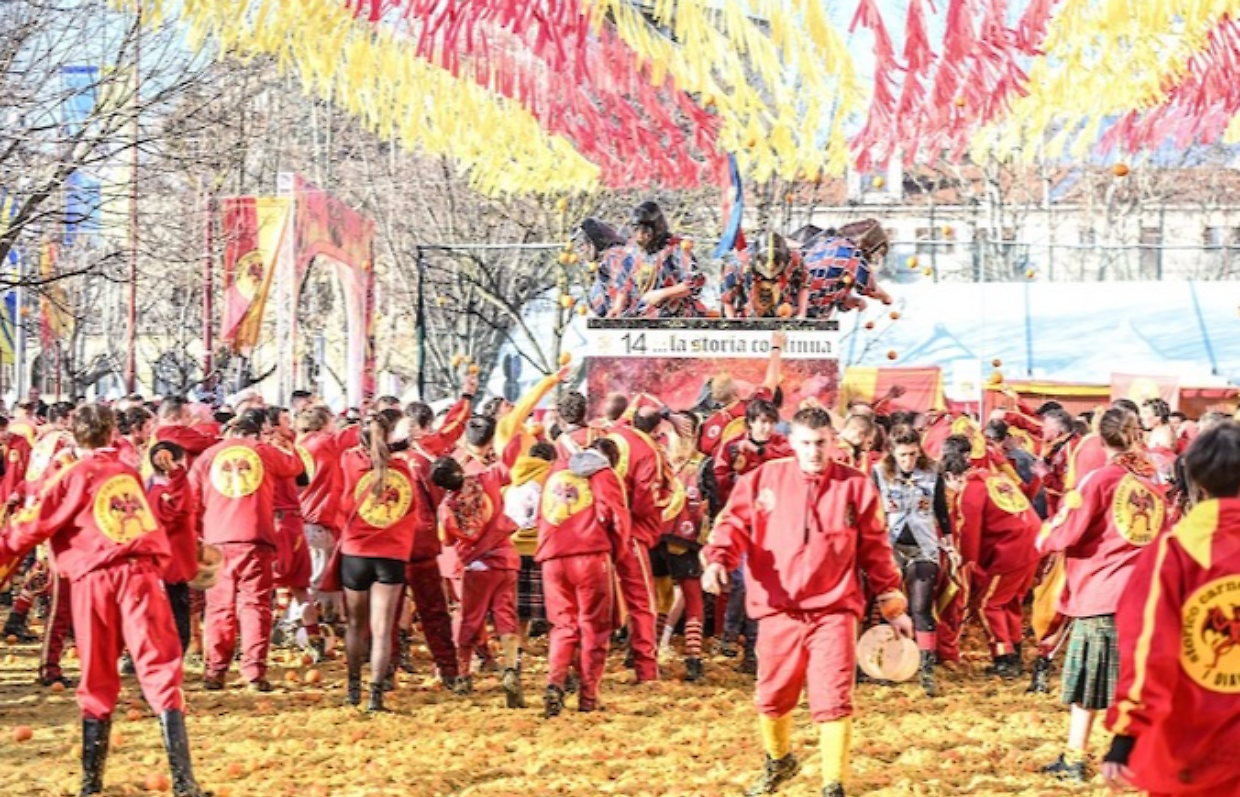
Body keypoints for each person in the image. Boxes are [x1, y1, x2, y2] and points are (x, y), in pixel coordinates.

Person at [702, 406, 913, 797]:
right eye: (806, 444)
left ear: (834, 442)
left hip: (834, 609)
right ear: (791, 443)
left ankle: (834, 785)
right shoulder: (763, 478)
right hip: (777, 608)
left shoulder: (855, 486)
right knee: (772, 695)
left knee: (832, 696)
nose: (814, 452)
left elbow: (876, 549)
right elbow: (732, 524)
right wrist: (718, 560)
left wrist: (892, 603)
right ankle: (778, 760)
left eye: (821, 443)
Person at [0, 404, 208, 797]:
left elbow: (32, 525)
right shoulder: (127, 471)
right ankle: (185, 782)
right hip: (141, 576)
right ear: (112, 431)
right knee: (160, 667)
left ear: (75, 434)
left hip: (95, 578)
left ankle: (91, 783)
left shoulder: (73, 475)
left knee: (97, 672)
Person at [1103, 421, 1240, 797]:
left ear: (1196, 477)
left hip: (1190, 745)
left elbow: (1149, 649)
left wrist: (1125, 737)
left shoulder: (1173, 552)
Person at [1033, 406, 1168, 782]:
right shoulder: (1151, 482)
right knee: (1136, 683)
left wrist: (1044, 536)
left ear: (1099, 438)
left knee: (1088, 685)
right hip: (1143, 595)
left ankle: (1075, 759)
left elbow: (1068, 530)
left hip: (1102, 593)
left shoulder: (1098, 480)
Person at [191, 413, 304, 691]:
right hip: (255, 537)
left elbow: (191, 499)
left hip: (217, 538)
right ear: (255, 434)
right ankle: (253, 671)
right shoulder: (263, 452)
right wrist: (285, 442)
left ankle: (215, 671)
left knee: (219, 607)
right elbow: (296, 466)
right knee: (254, 605)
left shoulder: (208, 456)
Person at [537, 437, 630, 715]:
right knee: (593, 627)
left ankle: (555, 682)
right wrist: (617, 553)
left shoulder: (555, 471)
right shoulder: (604, 475)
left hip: (552, 556)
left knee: (563, 625)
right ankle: (588, 696)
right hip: (590, 555)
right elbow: (616, 517)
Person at [940, 434, 1040, 678]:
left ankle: (1003, 657)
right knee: (1009, 601)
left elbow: (969, 533)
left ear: (952, 477)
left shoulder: (969, 491)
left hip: (1011, 550)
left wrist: (964, 562)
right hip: (1032, 543)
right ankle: (1015, 649)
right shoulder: (993, 476)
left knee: (987, 604)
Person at [337, 410, 418, 711]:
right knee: (383, 628)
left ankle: (352, 687)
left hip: (355, 551)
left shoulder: (350, 462)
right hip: (391, 553)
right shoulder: (404, 471)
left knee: (355, 625)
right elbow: (413, 510)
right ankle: (375, 696)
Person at [432, 454, 523, 705]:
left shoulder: (447, 508)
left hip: (476, 566)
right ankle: (511, 668)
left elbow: (448, 540)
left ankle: (463, 675)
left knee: (470, 620)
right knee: (506, 617)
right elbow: (507, 467)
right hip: (505, 559)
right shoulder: (486, 478)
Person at [871, 425, 953, 697]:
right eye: (903, 455)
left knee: (920, 606)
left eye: (913, 454)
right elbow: (871, 509)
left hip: (924, 545)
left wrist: (950, 543)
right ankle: (882, 662)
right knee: (886, 606)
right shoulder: (879, 473)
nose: (908, 460)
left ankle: (927, 669)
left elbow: (941, 508)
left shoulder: (932, 472)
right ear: (892, 452)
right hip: (890, 545)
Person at [609, 200, 706, 319]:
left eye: (645, 231)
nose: (640, 237)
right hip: (641, 318)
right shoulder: (634, 252)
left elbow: (695, 282)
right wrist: (617, 307)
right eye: (636, 230)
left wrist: (663, 294)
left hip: (676, 319)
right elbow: (625, 284)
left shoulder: (676, 248)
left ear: (656, 228)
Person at [720, 232, 809, 319]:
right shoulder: (738, 264)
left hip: (786, 314)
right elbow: (727, 300)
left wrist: (801, 314)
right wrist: (732, 322)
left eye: (776, 268)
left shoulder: (795, 260)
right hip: (749, 316)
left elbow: (804, 285)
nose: (770, 272)